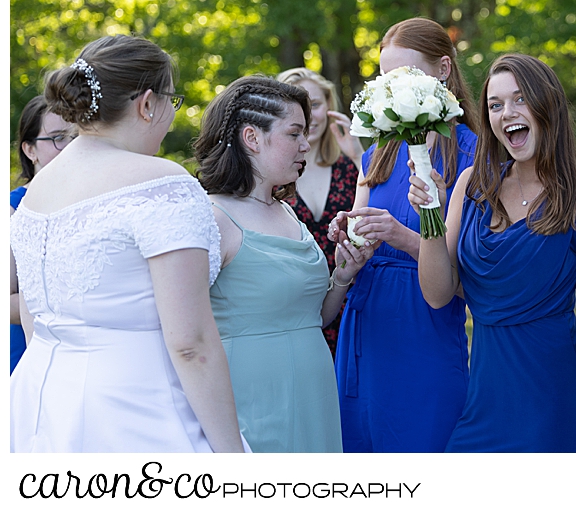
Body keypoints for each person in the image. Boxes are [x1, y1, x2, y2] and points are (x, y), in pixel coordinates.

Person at [9, 35, 245, 452]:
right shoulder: (160, 184)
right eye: (172, 99)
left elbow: (31, 312)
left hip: (39, 401)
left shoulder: (37, 189)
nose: (172, 113)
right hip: (138, 408)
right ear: (148, 103)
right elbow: (190, 342)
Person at [408, 53, 576, 452]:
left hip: (557, 400)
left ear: (549, 106)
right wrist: (430, 217)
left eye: (520, 99)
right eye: (495, 105)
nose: (506, 112)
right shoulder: (470, 185)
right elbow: (439, 292)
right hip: (486, 398)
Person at [194, 75, 373, 453]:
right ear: (252, 138)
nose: (306, 144)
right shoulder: (213, 218)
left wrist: (342, 274)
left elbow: (313, 318)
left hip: (315, 394)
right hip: (254, 400)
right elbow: (184, 332)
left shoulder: (288, 212)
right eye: (294, 134)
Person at [330, 17, 479, 453]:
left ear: (444, 71)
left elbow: (474, 268)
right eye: (384, 78)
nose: (392, 88)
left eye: (405, 76)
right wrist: (352, 233)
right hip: (367, 318)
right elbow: (363, 219)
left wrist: (401, 236)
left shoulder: (477, 156)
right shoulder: (377, 153)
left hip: (425, 320)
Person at [276, 67, 363, 360]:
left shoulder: (350, 166)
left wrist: (359, 155)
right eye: (300, 108)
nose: (309, 117)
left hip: (351, 303)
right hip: (292, 309)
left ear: (329, 107)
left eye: (315, 105)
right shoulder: (272, 175)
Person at [10, 96, 77, 373]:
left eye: (76, 137)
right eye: (58, 138)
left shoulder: (91, 203)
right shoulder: (12, 211)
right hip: (25, 355)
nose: (70, 147)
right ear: (30, 150)